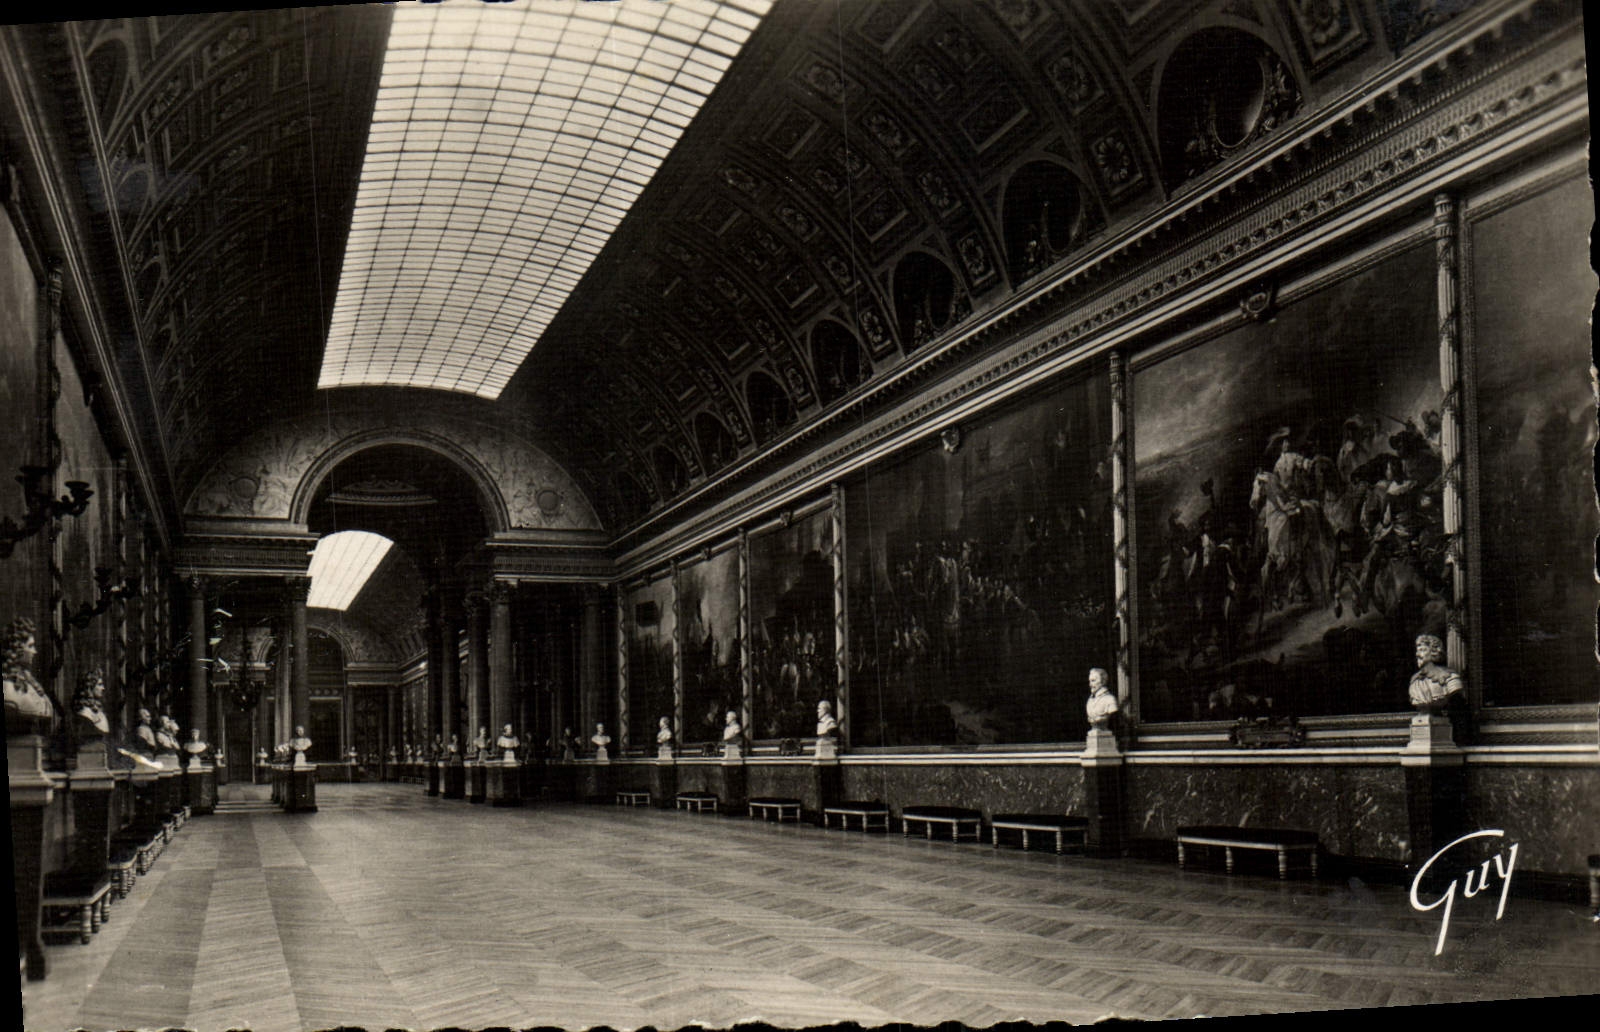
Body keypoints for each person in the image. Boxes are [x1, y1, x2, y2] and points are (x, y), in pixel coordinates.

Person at [2, 616, 53, 730]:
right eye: (30, 646)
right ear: (17, 648)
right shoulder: (6, 685)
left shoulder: (27, 679)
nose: (34, 651)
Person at [1408, 634, 1463, 709]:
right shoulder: (1415, 681)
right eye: (1417, 650)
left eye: (1422, 650)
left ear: (1433, 652)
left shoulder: (1451, 678)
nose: (1417, 654)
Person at [73, 668, 110, 735]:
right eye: (100, 684)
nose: (103, 688)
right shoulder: (85, 713)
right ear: (90, 687)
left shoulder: (98, 710)